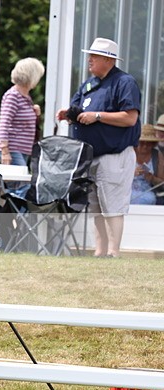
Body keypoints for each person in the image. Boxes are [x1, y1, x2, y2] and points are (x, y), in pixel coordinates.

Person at [56, 37, 141, 258]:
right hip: (90, 156)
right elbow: (79, 111)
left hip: (114, 155)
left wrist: (98, 116)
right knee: (96, 207)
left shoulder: (124, 82)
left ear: (108, 59)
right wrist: (68, 115)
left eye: (94, 56)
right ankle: (100, 252)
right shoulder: (89, 84)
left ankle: (113, 252)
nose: (89, 60)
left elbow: (130, 118)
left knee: (112, 205)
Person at [0, 58, 45, 169]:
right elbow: (4, 123)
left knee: (17, 184)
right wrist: (5, 151)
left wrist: (35, 113)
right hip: (12, 149)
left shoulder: (25, 96)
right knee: (20, 185)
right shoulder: (13, 96)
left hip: (22, 149)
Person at [130, 124, 164, 205]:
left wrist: (151, 178)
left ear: (153, 144)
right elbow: (115, 175)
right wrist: (131, 173)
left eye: (149, 143)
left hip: (148, 192)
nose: (145, 146)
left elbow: (162, 184)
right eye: (141, 143)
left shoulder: (158, 155)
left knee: (150, 198)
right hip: (127, 190)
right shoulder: (129, 152)